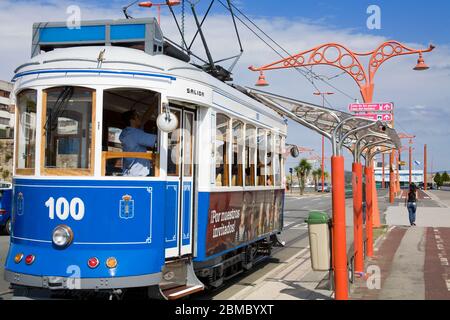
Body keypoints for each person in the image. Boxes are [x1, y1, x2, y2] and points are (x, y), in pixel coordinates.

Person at [119, 109, 157, 176]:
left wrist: (153, 105)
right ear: (132, 120)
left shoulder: (126, 132)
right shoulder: (135, 134)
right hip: (139, 174)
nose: (140, 118)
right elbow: (157, 140)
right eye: (138, 117)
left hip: (128, 173)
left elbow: (143, 120)